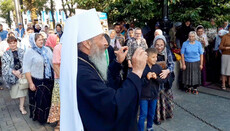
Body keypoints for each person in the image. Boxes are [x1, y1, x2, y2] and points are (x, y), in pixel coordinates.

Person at [60, 8, 148, 131]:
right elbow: (114, 104)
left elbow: (103, 80)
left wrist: (117, 63)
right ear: (87, 43)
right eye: (101, 37)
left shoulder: (86, 60)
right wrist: (137, 72)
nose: (105, 43)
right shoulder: (82, 73)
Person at [23, 33, 54, 124]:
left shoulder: (47, 49)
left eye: (42, 39)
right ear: (34, 41)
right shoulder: (29, 52)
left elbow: (53, 62)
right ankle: (40, 118)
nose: (42, 41)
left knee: (49, 99)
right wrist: (30, 83)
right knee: (40, 100)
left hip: (48, 79)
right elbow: (26, 68)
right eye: (39, 40)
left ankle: (49, 117)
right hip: (37, 80)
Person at [138, 48, 166, 131]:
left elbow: (163, 80)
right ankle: (140, 129)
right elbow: (138, 82)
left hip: (154, 95)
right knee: (143, 114)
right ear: (147, 58)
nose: (156, 59)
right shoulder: (141, 67)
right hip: (143, 96)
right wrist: (146, 78)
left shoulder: (157, 67)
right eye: (153, 57)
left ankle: (150, 127)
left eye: (156, 57)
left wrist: (156, 78)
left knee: (151, 113)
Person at [151, 35, 175, 125]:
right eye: (157, 45)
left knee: (166, 96)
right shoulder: (151, 52)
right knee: (156, 99)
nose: (159, 47)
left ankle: (166, 114)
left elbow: (172, 64)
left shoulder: (167, 51)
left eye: (161, 45)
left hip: (165, 80)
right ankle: (156, 117)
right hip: (155, 80)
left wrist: (167, 71)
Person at [1, 36, 27, 114]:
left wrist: (20, 71)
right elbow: (4, 65)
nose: (13, 44)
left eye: (14, 42)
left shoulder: (22, 51)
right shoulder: (6, 54)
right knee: (16, 92)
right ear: (8, 44)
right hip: (12, 75)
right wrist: (13, 71)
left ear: (16, 42)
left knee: (23, 90)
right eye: (11, 43)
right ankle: (21, 105)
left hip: (22, 73)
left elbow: (26, 63)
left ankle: (21, 107)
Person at [47, 42, 62, 130]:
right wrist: (63, 79)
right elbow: (55, 65)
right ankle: (59, 123)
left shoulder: (73, 46)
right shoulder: (58, 47)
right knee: (59, 101)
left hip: (71, 80)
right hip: (60, 80)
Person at [219, 24, 230, 90]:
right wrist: (227, 47)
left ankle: (229, 83)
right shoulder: (225, 36)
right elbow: (220, 47)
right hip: (225, 54)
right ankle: (223, 84)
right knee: (224, 69)